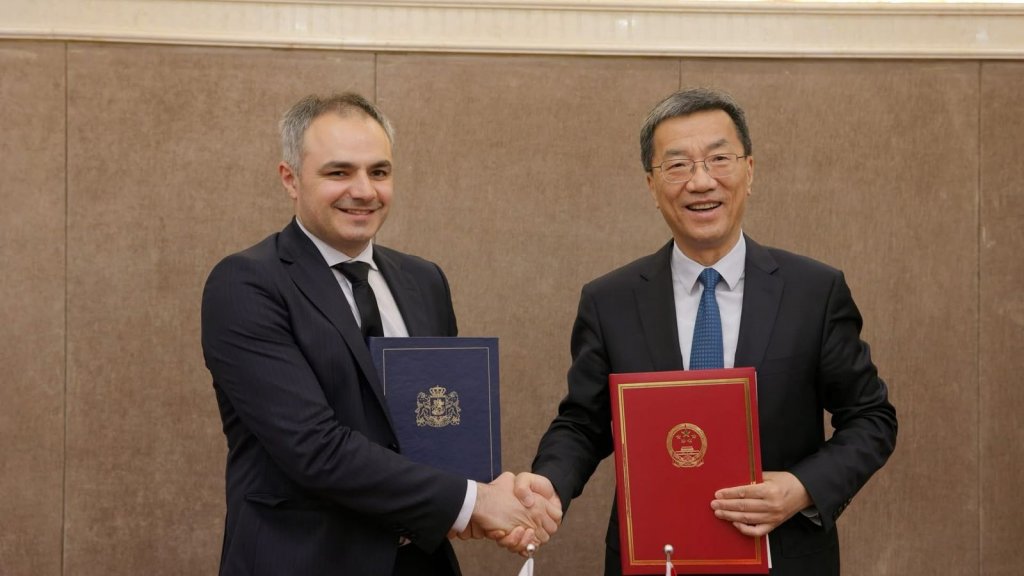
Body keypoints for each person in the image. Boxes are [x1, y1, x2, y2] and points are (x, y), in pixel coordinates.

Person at [511, 88, 897, 575]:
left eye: (719, 159)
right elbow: (583, 424)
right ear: (651, 185)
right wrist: (550, 482)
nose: (700, 181)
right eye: (677, 166)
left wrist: (800, 488)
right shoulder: (610, 300)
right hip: (652, 558)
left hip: (783, 557)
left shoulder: (814, 292)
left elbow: (871, 418)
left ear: (749, 171)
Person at [201, 93, 559, 576]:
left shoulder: (423, 280)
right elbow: (314, 448)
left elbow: (437, 430)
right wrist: (475, 502)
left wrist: (493, 498)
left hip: (420, 563)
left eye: (379, 171)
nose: (364, 190)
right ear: (290, 179)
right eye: (339, 172)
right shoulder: (247, 284)